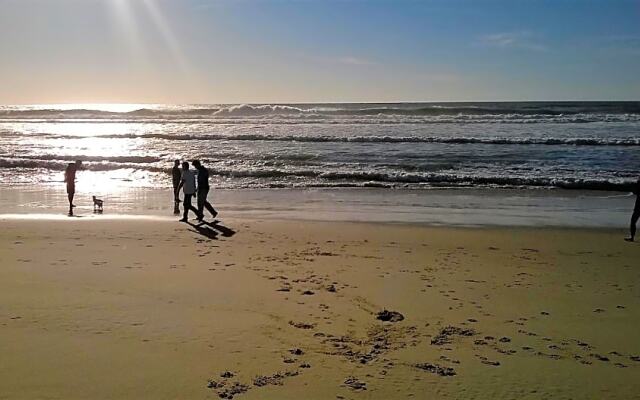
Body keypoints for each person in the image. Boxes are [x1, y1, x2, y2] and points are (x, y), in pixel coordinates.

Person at [624, 178, 640, 242]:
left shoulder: (639, 182)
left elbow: (635, 192)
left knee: (633, 221)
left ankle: (632, 237)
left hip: (639, 205)